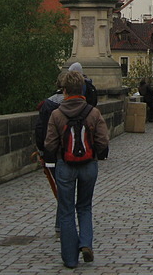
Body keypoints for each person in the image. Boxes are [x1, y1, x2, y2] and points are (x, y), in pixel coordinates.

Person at [44, 70, 110, 268]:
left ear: (64, 91)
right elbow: (103, 141)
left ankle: (70, 259)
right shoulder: (93, 112)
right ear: (81, 90)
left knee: (66, 211)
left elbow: (49, 144)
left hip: (65, 165)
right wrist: (95, 153)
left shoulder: (56, 114)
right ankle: (86, 243)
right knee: (85, 206)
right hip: (89, 165)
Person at [34, 74, 66, 237]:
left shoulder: (47, 104)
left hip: (51, 152)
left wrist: (42, 151)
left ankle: (61, 226)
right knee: (67, 189)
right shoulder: (78, 104)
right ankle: (63, 225)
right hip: (71, 153)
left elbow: (40, 130)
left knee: (61, 188)